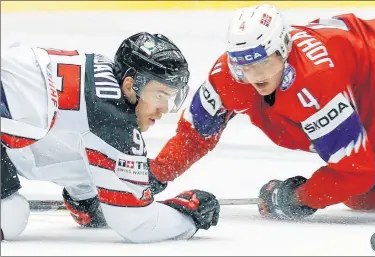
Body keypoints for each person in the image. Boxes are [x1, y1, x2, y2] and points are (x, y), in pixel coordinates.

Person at [149, 4, 375, 219]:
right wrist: (156, 175)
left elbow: (353, 172)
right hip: (369, 104)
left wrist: (298, 197)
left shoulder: (315, 82)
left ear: (284, 50)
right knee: (360, 197)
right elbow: (194, 136)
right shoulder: (228, 78)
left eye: (263, 62)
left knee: (353, 184)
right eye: (244, 64)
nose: (255, 76)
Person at [1, 32, 220, 242]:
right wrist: (188, 215)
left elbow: (73, 135)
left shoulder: (101, 73)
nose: (164, 108)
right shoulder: (114, 120)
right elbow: (137, 225)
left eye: (171, 97)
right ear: (130, 85)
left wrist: (89, 196)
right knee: (11, 217)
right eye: (160, 94)